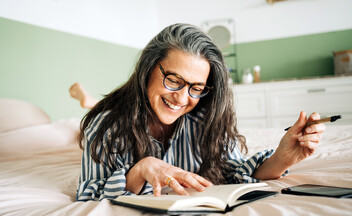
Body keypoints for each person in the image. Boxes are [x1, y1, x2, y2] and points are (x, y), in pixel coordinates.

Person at [75, 23, 325, 201]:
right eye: (173, 80)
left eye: (196, 87)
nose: (183, 98)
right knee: (86, 115)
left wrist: (283, 157)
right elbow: (88, 193)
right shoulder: (106, 125)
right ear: (148, 69)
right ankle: (85, 99)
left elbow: (235, 171)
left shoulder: (204, 117)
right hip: (118, 109)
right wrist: (142, 168)